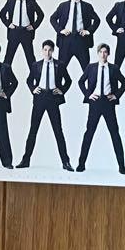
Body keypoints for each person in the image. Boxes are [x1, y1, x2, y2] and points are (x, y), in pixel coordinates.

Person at [16, 40, 72, 171]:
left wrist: (62, 90)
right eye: (45, 50)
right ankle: (25, 160)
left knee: (58, 131)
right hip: (40, 98)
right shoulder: (36, 65)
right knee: (33, 130)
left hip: (53, 98)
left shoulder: (60, 65)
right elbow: (29, 80)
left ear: (53, 51)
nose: (47, 52)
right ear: (42, 51)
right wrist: (33, 89)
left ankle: (66, 162)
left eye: (50, 50)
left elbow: (68, 80)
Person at [76, 44, 125, 175]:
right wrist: (88, 95)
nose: (103, 54)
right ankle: (81, 164)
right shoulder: (91, 67)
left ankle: (122, 166)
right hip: (95, 103)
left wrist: (116, 95)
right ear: (98, 53)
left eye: (105, 52)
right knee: (89, 133)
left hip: (108, 103)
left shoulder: (114, 68)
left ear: (108, 54)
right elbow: (80, 82)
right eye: (101, 52)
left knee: (115, 134)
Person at [50, 0, 100, 74]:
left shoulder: (87, 6)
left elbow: (97, 20)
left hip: (81, 40)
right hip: (66, 40)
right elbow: (52, 18)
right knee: (60, 70)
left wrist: (88, 31)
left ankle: (88, 85)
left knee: (87, 70)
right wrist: (60, 30)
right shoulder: (63, 6)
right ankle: (62, 84)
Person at [0, 0, 44, 71]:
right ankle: (3, 78)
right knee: (8, 58)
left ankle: (35, 77)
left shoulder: (31, 2)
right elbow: (2, 14)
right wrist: (8, 24)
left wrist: (33, 26)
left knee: (30, 57)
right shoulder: (10, 1)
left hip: (26, 32)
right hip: (14, 31)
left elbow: (41, 15)